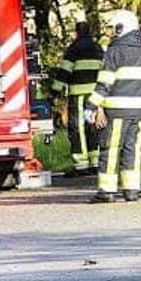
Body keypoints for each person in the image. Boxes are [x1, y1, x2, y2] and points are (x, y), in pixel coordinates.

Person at [87, 10, 141, 203]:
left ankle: (106, 191)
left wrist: (92, 106)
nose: (111, 32)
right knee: (132, 150)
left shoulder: (114, 51)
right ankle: (131, 189)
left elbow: (104, 83)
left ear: (120, 27)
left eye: (113, 28)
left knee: (110, 150)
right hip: (138, 112)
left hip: (116, 111)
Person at [50, 22, 106, 173]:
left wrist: (55, 91)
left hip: (78, 94)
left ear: (77, 32)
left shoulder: (74, 49)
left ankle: (81, 165)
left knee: (78, 129)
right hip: (96, 95)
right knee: (93, 127)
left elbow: (64, 72)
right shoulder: (98, 49)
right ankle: (95, 162)